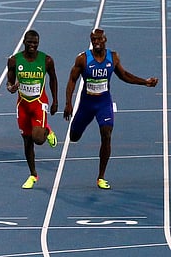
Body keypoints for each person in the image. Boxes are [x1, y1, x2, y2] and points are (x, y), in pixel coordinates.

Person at [63, 28, 158, 189]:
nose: (97, 42)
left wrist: (145, 82)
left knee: (106, 134)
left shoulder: (113, 57)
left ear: (105, 39)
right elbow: (72, 80)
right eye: (94, 40)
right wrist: (68, 103)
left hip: (104, 104)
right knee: (74, 137)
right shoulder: (82, 59)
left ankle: (101, 177)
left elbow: (124, 75)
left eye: (99, 39)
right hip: (86, 105)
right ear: (91, 41)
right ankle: (76, 129)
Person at [6, 30, 58, 189]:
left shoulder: (46, 60)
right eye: (29, 42)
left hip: (38, 103)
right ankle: (33, 175)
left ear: (38, 43)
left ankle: (47, 131)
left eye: (35, 43)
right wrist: (11, 88)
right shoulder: (14, 61)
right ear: (24, 42)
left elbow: (53, 79)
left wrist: (55, 100)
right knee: (27, 141)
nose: (32, 46)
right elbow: (9, 82)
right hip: (22, 104)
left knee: (38, 139)